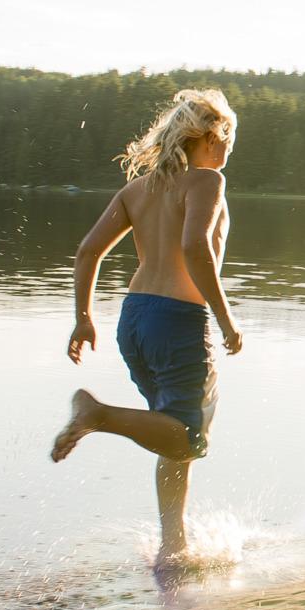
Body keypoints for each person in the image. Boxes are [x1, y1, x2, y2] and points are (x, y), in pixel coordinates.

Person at [49, 88, 245, 567]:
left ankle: (172, 545)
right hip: (177, 321)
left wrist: (83, 318)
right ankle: (97, 414)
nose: (228, 148)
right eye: (227, 137)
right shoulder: (207, 181)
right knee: (189, 437)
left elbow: (87, 251)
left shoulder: (138, 190)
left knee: (171, 434)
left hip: (134, 320)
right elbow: (195, 247)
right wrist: (225, 318)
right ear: (209, 137)